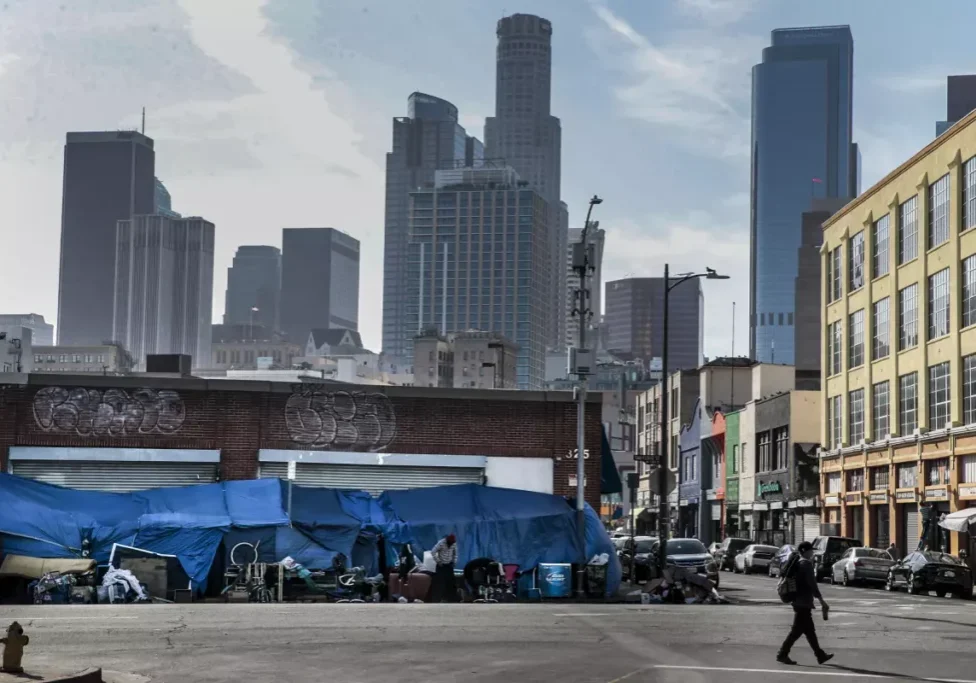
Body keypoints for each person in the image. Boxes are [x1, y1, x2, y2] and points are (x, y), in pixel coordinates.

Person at [777, 541, 833, 666]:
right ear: (804, 551)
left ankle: (820, 655)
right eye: (810, 550)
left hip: (799, 601)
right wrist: (821, 600)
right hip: (803, 602)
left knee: (809, 631)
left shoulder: (798, 563)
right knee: (796, 632)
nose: (812, 552)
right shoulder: (806, 565)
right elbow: (812, 584)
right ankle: (782, 654)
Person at [431, 533, 458, 603]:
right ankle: (437, 599)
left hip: (449, 565)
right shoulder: (441, 543)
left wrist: (454, 561)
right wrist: (438, 561)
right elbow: (433, 551)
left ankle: (452, 599)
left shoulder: (454, 544)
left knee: (451, 582)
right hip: (441, 565)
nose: (451, 545)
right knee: (440, 583)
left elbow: (455, 553)